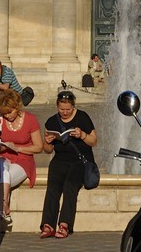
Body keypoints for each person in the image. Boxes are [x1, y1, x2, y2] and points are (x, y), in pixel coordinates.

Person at [39, 90, 97, 239]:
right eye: (61, 109)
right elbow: (47, 150)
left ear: (73, 107)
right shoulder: (52, 122)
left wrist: (82, 135)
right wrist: (48, 141)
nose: (64, 112)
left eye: (68, 109)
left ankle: (64, 224)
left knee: (70, 185)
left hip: (80, 160)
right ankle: (48, 224)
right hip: (60, 159)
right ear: (57, 106)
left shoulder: (83, 117)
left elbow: (94, 141)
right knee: (53, 187)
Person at [0, 87, 43, 229]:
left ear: (17, 106)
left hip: (23, 159)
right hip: (2, 156)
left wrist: (17, 148)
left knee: (3, 176)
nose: (7, 116)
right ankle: (3, 206)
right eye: (4, 113)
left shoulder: (30, 120)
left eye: (10, 112)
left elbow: (38, 147)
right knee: (2, 169)